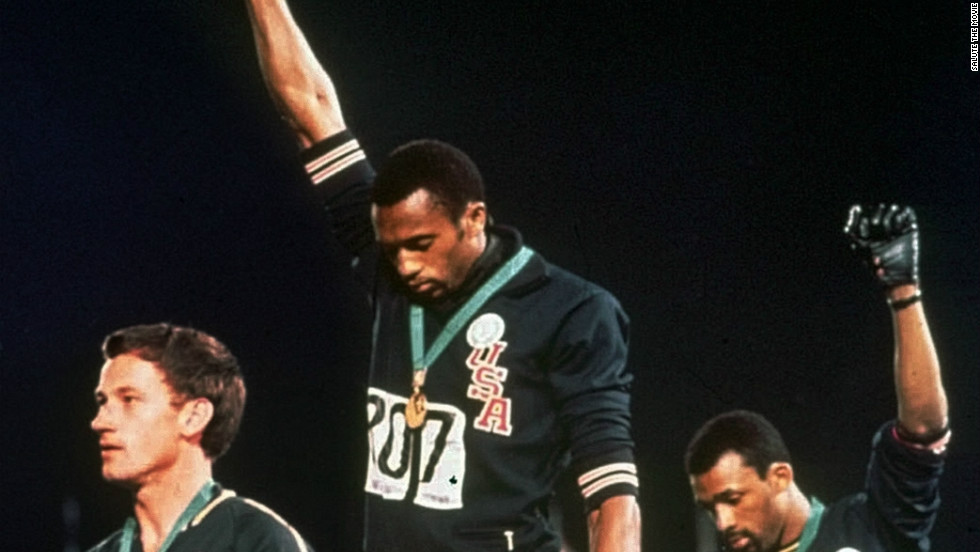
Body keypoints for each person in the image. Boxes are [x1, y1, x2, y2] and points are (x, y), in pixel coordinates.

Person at [242, 1, 641, 550]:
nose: (405, 265)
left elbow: (611, 492)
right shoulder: (390, 264)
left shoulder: (572, 310)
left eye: (422, 245)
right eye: (393, 247)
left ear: (474, 218)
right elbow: (310, 112)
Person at [685, 204, 949, 552]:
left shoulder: (867, 527)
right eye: (710, 508)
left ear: (780, 476)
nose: (723, 522)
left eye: (732, 499)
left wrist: (902, 292)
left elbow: (924, 430)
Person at [88, 323, 315, 552]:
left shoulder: (259, 541)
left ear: (194, 417)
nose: (99, 422)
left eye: (129, 400)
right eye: (103, 402)